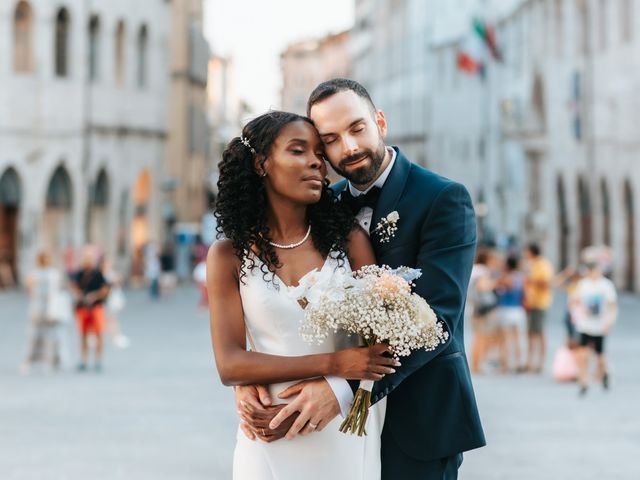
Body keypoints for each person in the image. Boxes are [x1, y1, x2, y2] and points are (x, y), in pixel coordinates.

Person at [238, 79, 485, 479]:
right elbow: (278, 296)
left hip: (418, 420)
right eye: (331, 139)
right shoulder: (322, 203)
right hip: (334, 436)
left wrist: (342, 391)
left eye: (357, 128)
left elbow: (438, 321)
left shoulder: (443, 198)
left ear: (380, 121)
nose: (348, 148)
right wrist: (250, 381)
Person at [208, 110, 397, 479]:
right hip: (267, 429)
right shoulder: (228, 255)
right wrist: (333, 363)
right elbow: (230, 364)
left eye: (318, 154)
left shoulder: (350, 240)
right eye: (298, 151)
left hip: (342, 428)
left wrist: (340, 379)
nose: (315, 162)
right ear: (262, 164)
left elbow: (384, 344)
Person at [571, 259, 617, 396]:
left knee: (600, 355)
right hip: (585, 325)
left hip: (600, 326)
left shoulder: (606, 285)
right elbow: (575, 301)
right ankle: (584, 381)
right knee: (583, 354)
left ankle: (605, 374)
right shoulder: (583, 285)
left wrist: (610, 322)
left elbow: (612, 306)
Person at [20, 252, 68, 374]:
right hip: (49, 309)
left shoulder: (34, 274)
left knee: (36, 336)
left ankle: (33, 362)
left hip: (38, 308)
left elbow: (29, 291)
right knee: (51, 336)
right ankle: (52, 361)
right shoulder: (54, 274)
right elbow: (59, 290)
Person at [71, 249, 110, 371]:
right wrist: (78, 295)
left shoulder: (98, 274)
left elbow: (105, 290)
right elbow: (73, 287)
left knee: (98, 334)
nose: (87, 262)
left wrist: (94, 295)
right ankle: (83, 359)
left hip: (96, 307)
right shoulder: (80, 273)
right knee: (83, 335)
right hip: (83, 308)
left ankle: (98, 360)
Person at [523, 243, 553, 373]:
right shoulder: (531, 264)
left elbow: (546, 283)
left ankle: (540, 363)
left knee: (539, 332)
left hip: (540, 303)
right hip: (530, 303)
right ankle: (530, 361)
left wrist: (531, 281)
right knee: (530, 333)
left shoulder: (543, 264)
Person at [495, 255, 526, 373]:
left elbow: (500, 288)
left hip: (506, 309)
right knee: (518, 338)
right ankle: (519, 363)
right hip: (518, 309)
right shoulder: (521, 277)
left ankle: (506, 365)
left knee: (506, 339)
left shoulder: (505, 277)